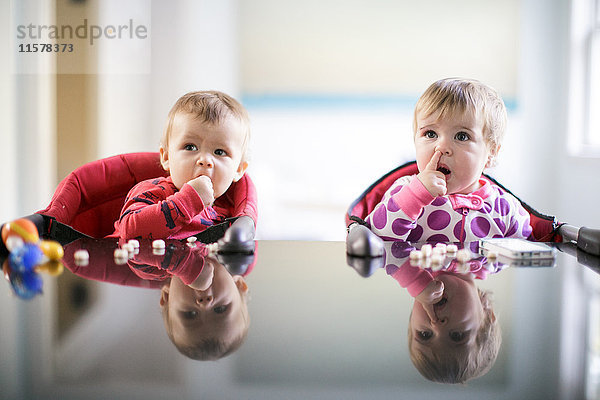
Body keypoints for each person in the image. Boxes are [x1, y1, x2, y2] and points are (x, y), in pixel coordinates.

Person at [364, 78, 532, 243]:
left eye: (461, 136)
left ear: (491, 153)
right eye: (430, 134)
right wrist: (415, 196)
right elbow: (373, 242)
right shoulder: (404, 191)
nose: (442, 147)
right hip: (417, 271)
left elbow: (526, 261)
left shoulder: (505, 209)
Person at [112, 90, 255, 241]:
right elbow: (130, 230)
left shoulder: (227, 216)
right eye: (190, 147)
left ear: (238, 169)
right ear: (166, 157)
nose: (205, 160)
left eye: (219, 152)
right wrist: (189, 200)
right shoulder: (152, 192)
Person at [383, 242, 501, 383]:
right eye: (457, 335)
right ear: (487, 313)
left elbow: (377, 238)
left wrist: (414, 281)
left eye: (425, 334)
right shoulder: (496, 255)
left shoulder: (406, 256)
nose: (437, 326)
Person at [159, 254, 250, 361]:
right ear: (238, 285)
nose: (205, 304)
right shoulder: (242, 253)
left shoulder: (146, 264)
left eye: (190, 314)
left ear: (167, 297)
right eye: (220, 309)